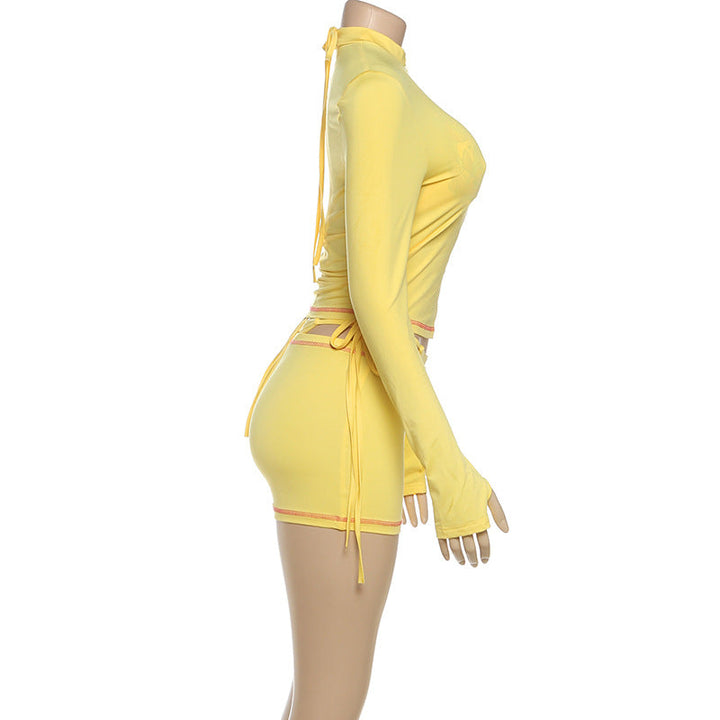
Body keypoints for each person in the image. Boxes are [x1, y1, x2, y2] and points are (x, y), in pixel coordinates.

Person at [245, 5, 509, 719]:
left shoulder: (369, 70)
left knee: (317, 699)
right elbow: (375, 300)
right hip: (343, 413)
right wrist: (448, 467)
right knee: (331, 702)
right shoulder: (375, 87)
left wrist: (413, 454)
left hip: (341, 400)